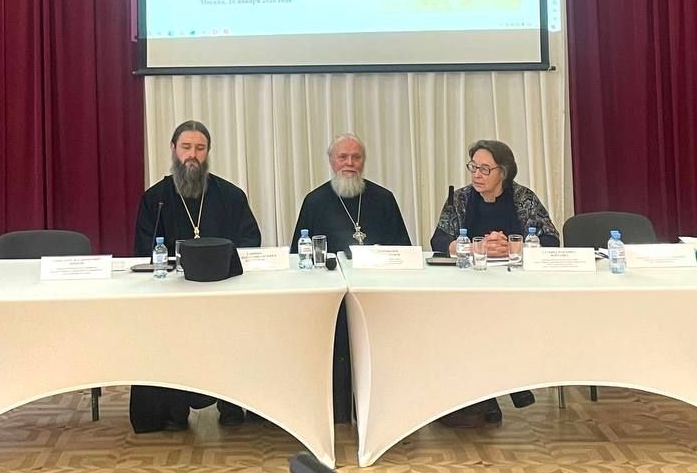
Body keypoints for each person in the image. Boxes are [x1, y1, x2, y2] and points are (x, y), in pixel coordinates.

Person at [130, 120, 262, 432]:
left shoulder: (231, 196)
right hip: (174, 300)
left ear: (208, 152)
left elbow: (250, 242)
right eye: (186, 147)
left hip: (224, 296)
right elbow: (145, 250)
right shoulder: (156, 199)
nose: (193, 155)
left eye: (200, 148)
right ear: (173, 150)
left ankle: (232, 404)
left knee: (238, 331)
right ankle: (173, 410)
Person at [429, 138, 560, 428]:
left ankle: (501, 387)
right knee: (466, 319)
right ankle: (484, 394)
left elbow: (551, 240)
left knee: (494, 319)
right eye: (473, 167)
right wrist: (474, 247)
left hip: (516, 288)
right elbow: (438, 241)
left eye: (485, 169)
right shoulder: (460, 199)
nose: (477, 175)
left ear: (504, 172)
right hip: (468, 286)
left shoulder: (523, 198)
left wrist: (513, 246)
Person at [289, 133, 411, 422]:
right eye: (342, 157)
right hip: (332, 297)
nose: (349, 163)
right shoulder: (315, 201)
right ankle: (338, 410)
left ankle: (380, 410)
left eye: (356, 157)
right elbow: (298, 254)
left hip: (377, 296)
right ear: (331, 161)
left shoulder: (383, 199)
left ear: (364, 161)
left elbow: (403, 249)